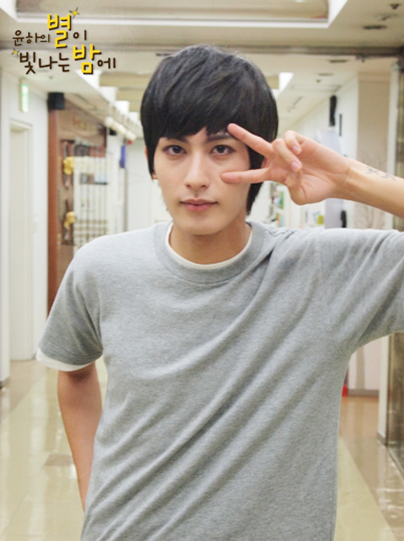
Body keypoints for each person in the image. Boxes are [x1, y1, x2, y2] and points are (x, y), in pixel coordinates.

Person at [36, 44, 404, 541]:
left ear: (260, 158)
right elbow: (75, 374)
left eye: (221, 149)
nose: (195, 178)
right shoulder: (102, 267)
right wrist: (95, 492)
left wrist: (348, 179)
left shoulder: (326, 271)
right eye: (175, 150)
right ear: (152, 161)